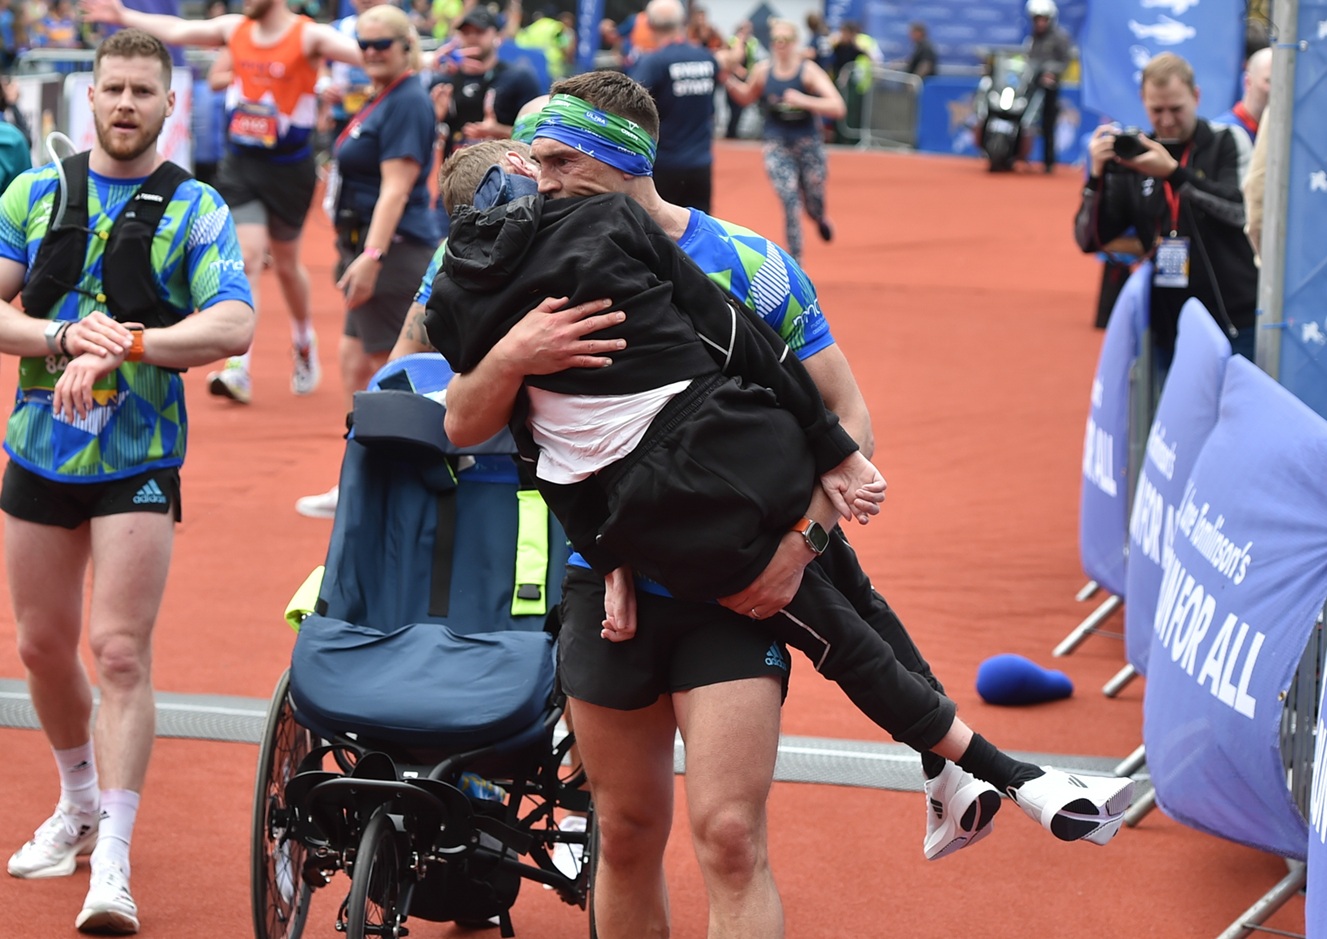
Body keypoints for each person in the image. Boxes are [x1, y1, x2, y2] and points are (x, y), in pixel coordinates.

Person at [428, 74, 1135, 937]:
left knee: (728, 834)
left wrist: (796, 547)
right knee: (623, 832)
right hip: (604, 583)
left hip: (743, 584)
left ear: (619, 163)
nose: (537, 179)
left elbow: (845, 420)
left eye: (557, 159)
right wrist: (514, 354)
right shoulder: (507, 238)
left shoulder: (748, 261)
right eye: (531, 161)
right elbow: (462, 419)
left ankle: (965, 767)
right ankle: (963, 768)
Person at [0, 28, 253, 934]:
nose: (125, 105)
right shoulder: (34, 194)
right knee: (38, 646)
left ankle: (114, 853)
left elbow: (231, 327)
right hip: (37, 449)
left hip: (138, 458)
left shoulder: (196, 210)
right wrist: (68, 337)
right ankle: (76, 803)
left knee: (116, 652)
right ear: (90, 96)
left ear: (168, 103)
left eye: (143, 91)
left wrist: (130, 341)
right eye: (112, 89)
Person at [81, 0, 363, 406]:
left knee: (286, 264)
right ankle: (239, 369)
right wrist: (124, 17)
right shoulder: (235, 30)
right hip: (241, 163)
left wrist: (422, 58)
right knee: (247, 256)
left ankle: (303, 338)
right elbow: (177, 30)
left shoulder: (309, 36)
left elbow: (368, 54)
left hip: (288, 168)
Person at [295, 4, 437, 519]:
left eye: (383, 44)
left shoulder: (406, 102)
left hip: (396, 250)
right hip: (371, 247)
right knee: (357, 361)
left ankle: (391, 478)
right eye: (365, 45)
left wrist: (374, 255)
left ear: (406, 47)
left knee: (397, 369)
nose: (372, 53)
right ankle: (361, 473)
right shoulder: (384, 99)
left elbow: (398, 188)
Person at [1074, 52, 1258, 374]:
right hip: (1168, 328)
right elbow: (1090, 240)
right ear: (1142, 101)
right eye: (1156, 110)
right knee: (1172, 424)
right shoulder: (1134, 157)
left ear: (1196, 97)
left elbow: (1237, 212)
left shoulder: (1226, 141)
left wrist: (1174, 173)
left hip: (1233, 319)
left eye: (1177, 109)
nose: (1167, 120)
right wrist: (1096, 179)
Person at [724, 18, 843, 262]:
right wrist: (726, 79)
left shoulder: (808, 71)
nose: (780, 45)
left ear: (794, 43)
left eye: (785, 40)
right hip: (777, 142)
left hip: (807, 142)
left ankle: (819, 217)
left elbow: (837, 107)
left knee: (813, 199)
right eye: (776, 40)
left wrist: (804, 100)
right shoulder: (763, 71)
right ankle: (796, 262)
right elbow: (746, 97)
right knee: (790, 199)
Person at [629, 0, 717, 214]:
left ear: (649, 25)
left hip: (663, 165)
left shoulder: (654, 62)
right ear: (682, 22)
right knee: (699, 232)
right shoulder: (706, 58)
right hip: (700, 163)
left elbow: (628, 105)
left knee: (659, 234)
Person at [1023, 0, 1071, 174]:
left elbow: (1065, 61)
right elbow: (1027, 59)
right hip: (1031, 86)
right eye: (1037, 19)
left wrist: (1051, 72)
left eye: (1044, 19)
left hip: (1049, 87)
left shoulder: (1060, 37)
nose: (1040, 23)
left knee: (1048, 124)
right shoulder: (1032, 38)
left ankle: (1048, 162)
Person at [1213, 45, 1271, 145]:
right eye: (1269, 81)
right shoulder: (1222, 133)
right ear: (1248, 82)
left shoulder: (1290, 138)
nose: (1278, 90)